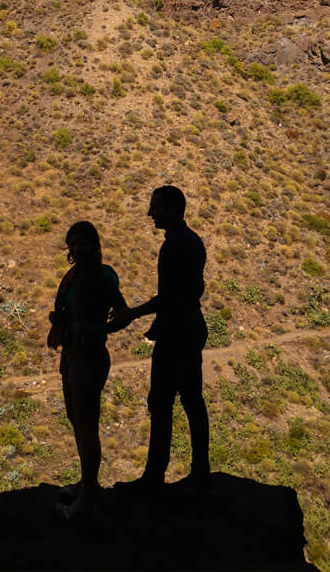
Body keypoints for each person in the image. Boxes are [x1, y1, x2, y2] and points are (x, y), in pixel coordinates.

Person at [113, 184, 211, 493]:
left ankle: (154, 478)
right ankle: (200, 471)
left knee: (161, 402)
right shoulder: (192, 241)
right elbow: (194, 291)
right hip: (190, 328)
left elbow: (169, 297)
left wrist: (133, 314)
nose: (150, 213)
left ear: (171, 209)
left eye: (155, 207)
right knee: (192, 400)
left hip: (176, 333)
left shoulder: (173, 247)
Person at [47, 220, 128, 519]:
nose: (77, 248)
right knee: (77, 420)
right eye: (73, 244)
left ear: (94, 244)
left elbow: (121, 312)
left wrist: (98, 329)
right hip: (71, 353)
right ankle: (88, 486)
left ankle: (85, 502)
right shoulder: (76, 276)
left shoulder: (101, 276)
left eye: (82, 243)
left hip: (88, 357)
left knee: (88, 425)